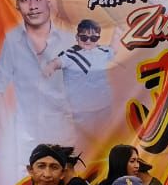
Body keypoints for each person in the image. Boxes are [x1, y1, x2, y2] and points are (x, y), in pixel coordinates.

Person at [0, 0, 76, 185]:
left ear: (49, 1)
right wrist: (7, 131)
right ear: (17, 5)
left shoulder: (70, 41)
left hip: (64, 136)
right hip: (25, 141)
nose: (32, 6)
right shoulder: (12, 41)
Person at [44, 19, 116, 149]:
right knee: (85, 140)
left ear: (98, 38)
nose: (88, 41)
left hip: (103, 105)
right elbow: (56, 62)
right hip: (81, 109)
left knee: (106, 137)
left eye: (93, 38)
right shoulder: (70, 55)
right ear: (77, 37)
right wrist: (49, 68)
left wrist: (118, 31)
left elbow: (113, 49)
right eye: (84, 37)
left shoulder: (103, 51)